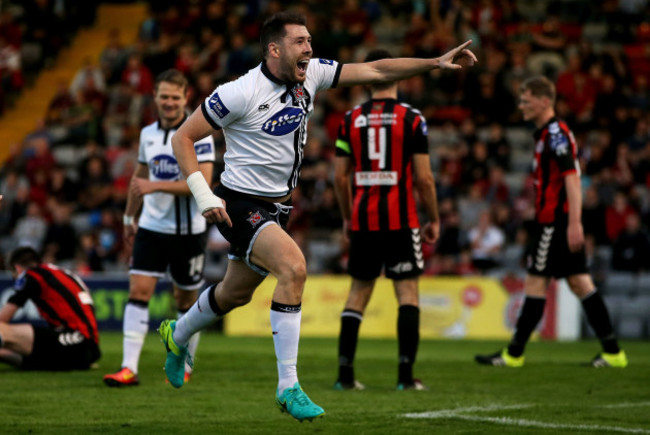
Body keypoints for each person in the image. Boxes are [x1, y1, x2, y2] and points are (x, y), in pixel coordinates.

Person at [158, 11, 476, 422]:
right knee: (294, 268)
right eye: (300, 42)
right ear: (275, 49)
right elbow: (183, 136)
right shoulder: (239, 92)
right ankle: (288, 386)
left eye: (310, 40)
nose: (309, 48)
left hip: (277, 206)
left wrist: (434, 62)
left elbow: (377, 68)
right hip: (239, 202)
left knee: (235, 294)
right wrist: (204, 196)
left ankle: (176, 333)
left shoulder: (312, 75)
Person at [475, 76, 627, 368]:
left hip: (555, 223)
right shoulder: (547, 134)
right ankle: (613, 352)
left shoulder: (556, 135)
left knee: (535, 281)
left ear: (545, 101)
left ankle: (514, 354)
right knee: (580, 282)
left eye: (526, 99)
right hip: (554, 220)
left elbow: (572, 178)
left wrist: (574, 223)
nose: (521, 105)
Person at [331, 49, 440, 391]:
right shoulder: (412, 118)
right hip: (400, 221)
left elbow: (338, 177)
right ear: (398, 73)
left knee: (357, 296)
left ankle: (345, 376)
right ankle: (405, 378)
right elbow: (424, 179)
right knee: (407, 293)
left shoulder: (349, 120)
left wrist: (348, 218)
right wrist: (433, 218)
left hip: (363, 220)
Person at [103, 69, 215, 386]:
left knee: (185, 302)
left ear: (186, 98)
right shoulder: (147, 134)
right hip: (151, 228)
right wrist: (128, 218)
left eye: (174, 97)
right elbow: (139, 181)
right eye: (163, 96)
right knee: (138, 292)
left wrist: (156, 186)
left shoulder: (199, 134)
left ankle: (184, 364)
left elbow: (203, 184)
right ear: (154, 96)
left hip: (189, 233)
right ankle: (129, 368)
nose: (168, 103)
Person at [0, 246, 101, 370]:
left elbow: (3, 319)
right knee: (4, 350)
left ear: (17, 268)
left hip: (76, 343)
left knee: (2, 330)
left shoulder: (32, 275)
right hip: (88, 349)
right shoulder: (60, 272)